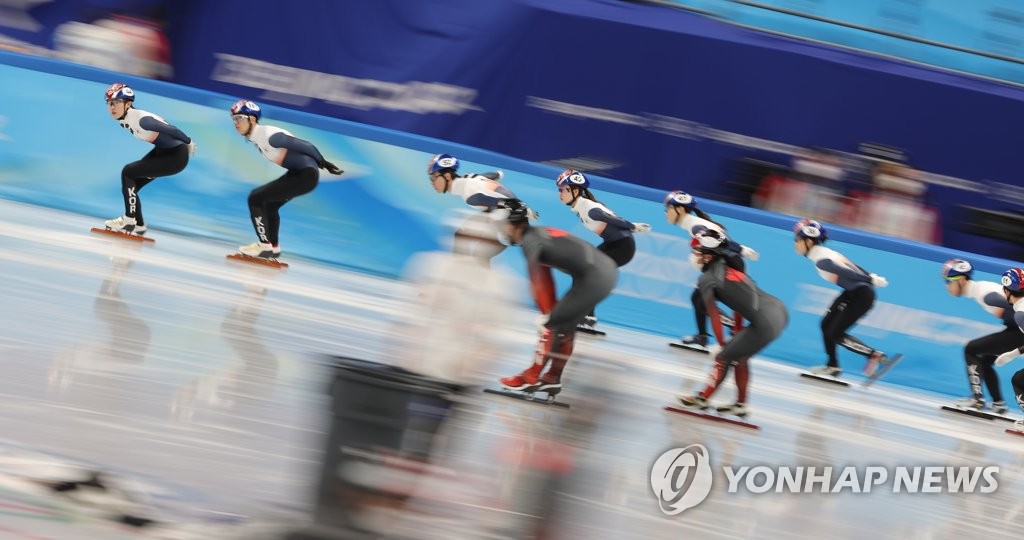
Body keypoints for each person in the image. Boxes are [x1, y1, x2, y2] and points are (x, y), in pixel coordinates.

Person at [494, 199, 618, 393]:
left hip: (594, 278)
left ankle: (531, 377)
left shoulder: (530, 242)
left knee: (551, 325)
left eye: (501, 225)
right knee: (564, 327)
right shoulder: (536, 234)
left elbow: (538, 278)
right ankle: (552, 377)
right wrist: (548, 311)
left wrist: (547, 316)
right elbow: (545, 276)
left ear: (511, 225)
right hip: (603, 273)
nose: (501, 230)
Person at [676, 230, 788, 417]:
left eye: (696, 252)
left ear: (708, 256)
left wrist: (721, 345)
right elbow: (740, 303)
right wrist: (736, 332)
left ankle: (702, 398)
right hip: (778, 311)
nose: (693, 257)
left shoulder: (707, 279)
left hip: (765, 321)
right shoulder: (729, 266)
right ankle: (740, 404)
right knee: (740, 357)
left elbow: (714, 316)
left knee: (724, 357)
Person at [230, 100, 343, 259]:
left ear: (253, 119)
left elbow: (306, 145)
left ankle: (264, 246)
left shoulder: (268, 136)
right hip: (299, 174)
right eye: (234, 119)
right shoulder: (258, 140)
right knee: (269, 205)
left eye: (239, 118)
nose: (236, 123)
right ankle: (273, 247)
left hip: (305, 175)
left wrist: (323, 162)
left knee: (255, 198)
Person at [793, 218, 892, 377]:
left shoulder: (821, 260)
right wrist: (870, 275)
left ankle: (874, 355)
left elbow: (847, 272)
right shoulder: (826, 253)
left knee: (836, 333)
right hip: (852, 292)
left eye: (797, 239)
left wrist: (869, 279)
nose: (795, 243)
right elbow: (853, 267)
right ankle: (833, 365)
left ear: (809, 241)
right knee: (826, 325)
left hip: (861, 295)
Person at [555, 169, 650, 331]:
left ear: (576, 190)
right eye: (559, 189)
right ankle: (586, 315)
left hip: (623, 247)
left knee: (589, 274)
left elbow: (612, 219)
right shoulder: (581, 206)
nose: (560, 193)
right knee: (581, 271)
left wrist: (633, 226)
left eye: (563, 189)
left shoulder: (589, 208)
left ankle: (587, 316)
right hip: (614, 243)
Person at [664, 190, 758, 351]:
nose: (666, 213)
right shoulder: (692, 222)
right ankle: (703, 337)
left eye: (668, 209)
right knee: (697, 298)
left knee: (702, 302)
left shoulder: (695, 225)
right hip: (724, 262)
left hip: (727, 264)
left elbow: (720, 240)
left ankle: (735, 329)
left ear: (680, 209)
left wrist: (742, 249)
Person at [102, 83, 195, 235]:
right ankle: (139, 224)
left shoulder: (141, 120)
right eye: (109, 103)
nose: (112, 107)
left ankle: (129, 219)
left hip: (175, 157)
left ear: (128, 104)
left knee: (128, 172)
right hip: (163, 152)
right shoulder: (124, 119)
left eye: (116, 103)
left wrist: (189, 141)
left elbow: (173, 130)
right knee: (132, 185)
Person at [942, 259, 1017, 413]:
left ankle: (977, 399)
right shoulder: (981, 289)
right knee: (984, 360)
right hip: (1015, 331)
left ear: (962, 280)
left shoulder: (983, 293)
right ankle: (998, 403)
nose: (946, 286)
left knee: (970, 349)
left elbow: (1012, 307)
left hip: (1019, 332)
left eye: (948, 281)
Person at [428, 153, 517, 259]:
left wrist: (499, 226)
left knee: (479, 253)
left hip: (509, 218)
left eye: (433, 177)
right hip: (503, 210)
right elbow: (486, 177)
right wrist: (498, 174)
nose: (432, 182)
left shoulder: (470, 194)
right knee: (461, 236)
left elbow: (503, 202)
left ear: (447, 176)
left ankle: (460, 269)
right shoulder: (466, 180)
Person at [993, 268, 1024, 432]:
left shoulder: (1020, 314)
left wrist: (1013, 354)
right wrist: (1013, 354)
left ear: (1006, 290)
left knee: (1019, 380)